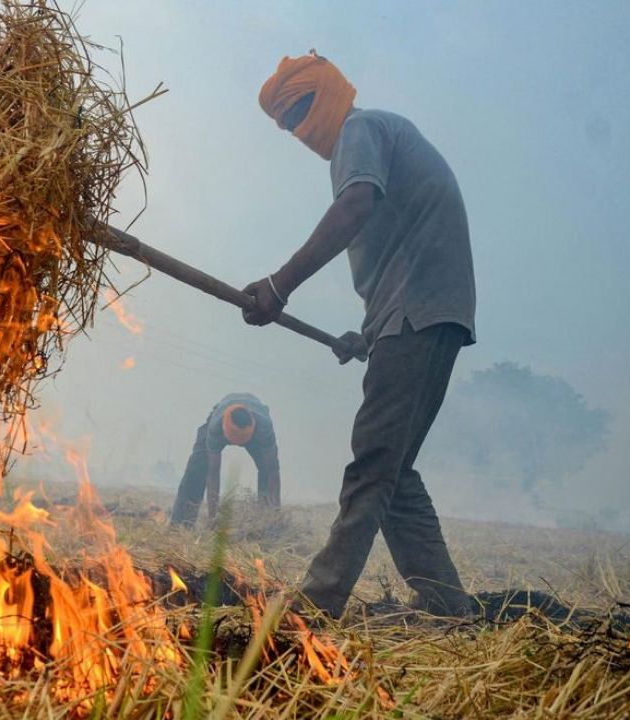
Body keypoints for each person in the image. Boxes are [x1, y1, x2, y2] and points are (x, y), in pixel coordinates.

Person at [241, 51, 477, 618]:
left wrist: (281, 283)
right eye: (288, 122)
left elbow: (354, 208)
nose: (300, 128)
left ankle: (316, 603)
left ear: (328, 92)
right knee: (393, 470)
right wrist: (367, 337)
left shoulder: (360, 128)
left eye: (301, 109)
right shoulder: (376, 134)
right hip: (417, 318)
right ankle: (448, 605)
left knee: (373, 462)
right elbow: (403, 248)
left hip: (416, 316)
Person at [169, 393, 280, 528]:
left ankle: (267, 524)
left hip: (256, 425)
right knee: (198, 465)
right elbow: (213, 473)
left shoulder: (263, 428)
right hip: (221, 416)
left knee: (266, 472)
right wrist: (213, 518)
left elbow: (272, 470)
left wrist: (276, 512)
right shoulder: (216, 427)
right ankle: (180, 525)